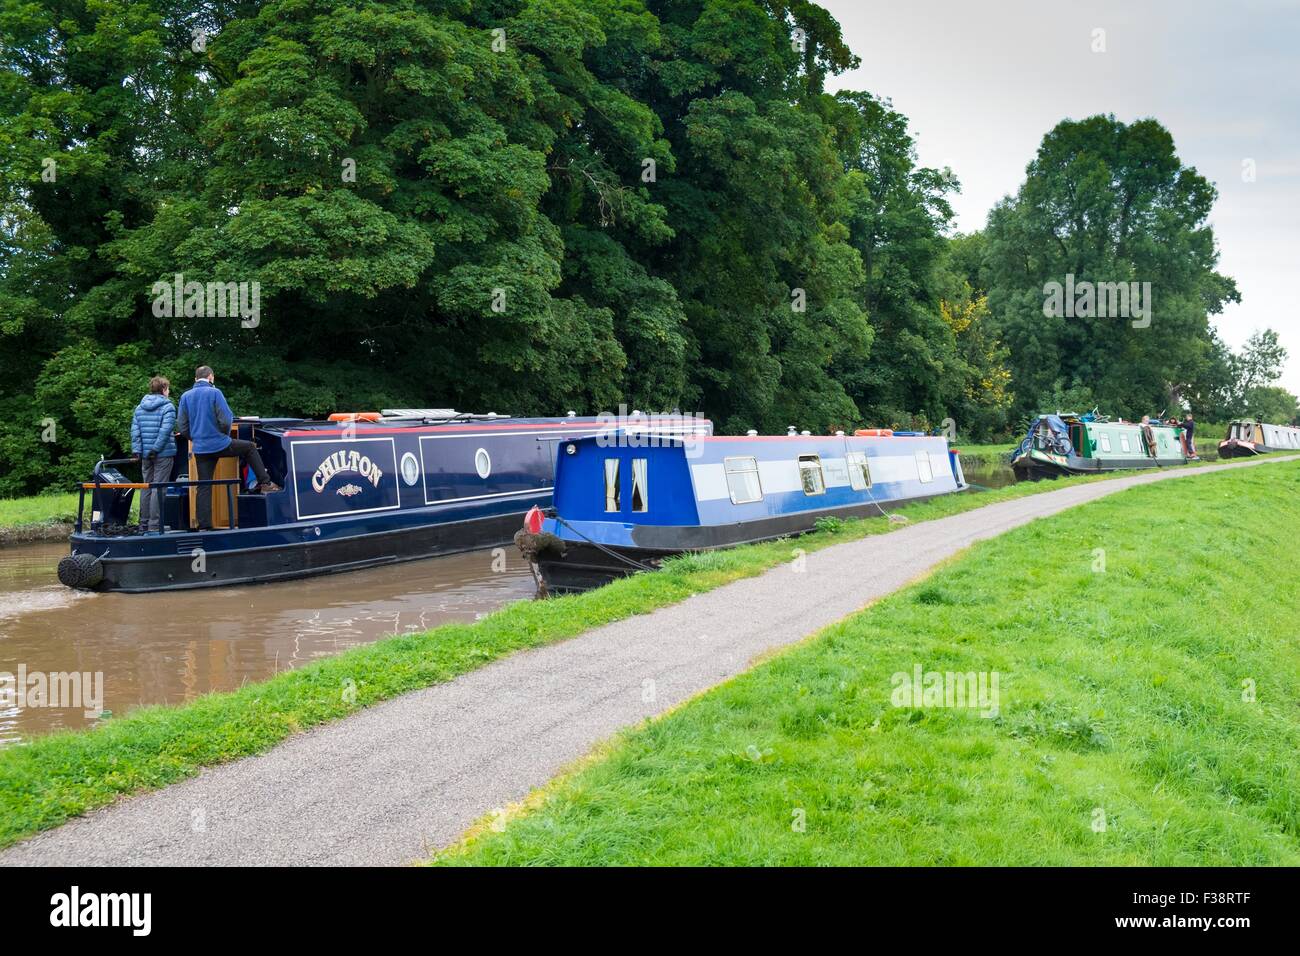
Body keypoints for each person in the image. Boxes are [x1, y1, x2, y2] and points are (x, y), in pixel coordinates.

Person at [177, 365, 281, 531]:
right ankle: (265, 482)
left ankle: (204, 525)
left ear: (196, 379)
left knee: (203, 486)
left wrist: (195, 438)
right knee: (249, 448)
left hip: (201, 448)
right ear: (211, 377)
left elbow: (182, 426)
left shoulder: (185, 396)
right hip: (220, 443)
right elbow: (226, 420)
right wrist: (223, 436)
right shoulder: (215, 393)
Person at [130, 376, 177, 533]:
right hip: (162, 454)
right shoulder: (168, 407)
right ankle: (155, 525)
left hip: (145, 455)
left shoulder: (139, 408)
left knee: (146, 487)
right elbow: (165, 432)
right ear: (163, 389)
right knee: (159, 488)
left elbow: (135, 432)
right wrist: (155, 450)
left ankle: (143, 524)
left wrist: (138, 451)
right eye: (168, 389)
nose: (169, 391)